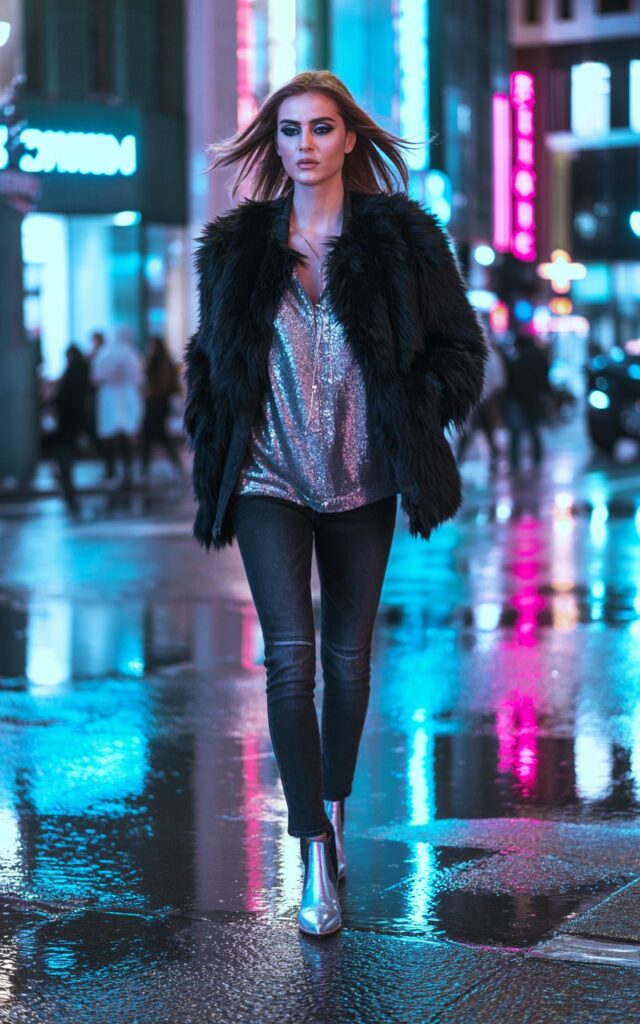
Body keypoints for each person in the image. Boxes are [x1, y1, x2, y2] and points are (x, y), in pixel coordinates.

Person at [184, 71, 487, 938]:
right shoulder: (240, 247)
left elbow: (461, 348)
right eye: (289, 130)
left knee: (348, 662)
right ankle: (313, 845)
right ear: (273, 143)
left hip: (363, 479)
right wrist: (216, 432)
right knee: (291, 659)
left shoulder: (401, 241)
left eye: (321, 129)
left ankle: (336, 807)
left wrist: (417, 411)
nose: (304, 145)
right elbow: (210, 359)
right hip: (266, 480)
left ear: (349, 138)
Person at [91, 325, 143, 488]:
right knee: (125, 439)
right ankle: (127, 471)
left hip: (108, 402)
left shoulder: (104, 354)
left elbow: (96, 377)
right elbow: (139, 379)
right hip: (127, 401)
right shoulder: (132, 355)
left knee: (110, 440)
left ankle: (111, 471)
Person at [503, 330, 550, 472]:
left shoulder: (516, 359)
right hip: (534, 398)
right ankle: (537, 458)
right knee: (533, 429)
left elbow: (509, 379)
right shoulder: (538, 357)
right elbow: (545, 378)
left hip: (517, 398)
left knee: (516, 431)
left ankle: (514, 461)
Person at [52, 343, 92, 510]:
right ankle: (65, 474)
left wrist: (54, 402)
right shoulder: (82, 368)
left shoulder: (74, 370)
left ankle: (65, 473)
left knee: (66, 445)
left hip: (69, 416)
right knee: (69, 445)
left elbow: (65, 394)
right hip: (76, 415)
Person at [457, 337, 506, 468]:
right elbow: (500, 380)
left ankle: (459, 459)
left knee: (469, 431)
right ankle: (493, 458)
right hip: (487, 399)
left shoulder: (469, 354)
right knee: (488, 429)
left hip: (474, 401)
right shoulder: (493, 355)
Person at [140, 335, 182, 479]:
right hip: (157, 403)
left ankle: (145, 468)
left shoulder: (160, 360)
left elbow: (162, 382)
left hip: (157, 403)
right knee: (155, 436)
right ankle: (145, 467)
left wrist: (151, 393)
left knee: (155, 436)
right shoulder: (159, 359)